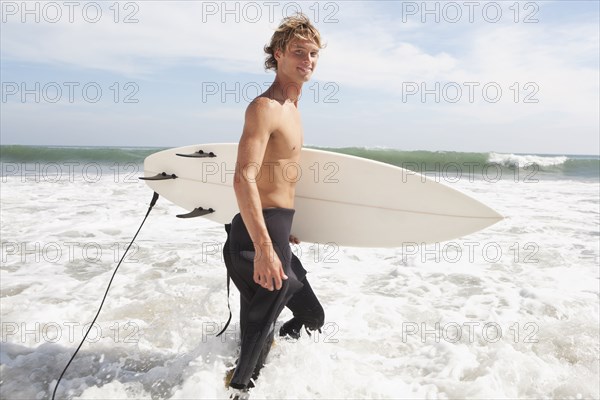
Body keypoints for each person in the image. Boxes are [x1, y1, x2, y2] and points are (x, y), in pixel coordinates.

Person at [221, 13, 326, 396]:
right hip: (255, 243)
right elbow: (242, 178)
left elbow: (274, 180)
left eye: (314, 54)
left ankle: (263, 378)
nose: (308, 60)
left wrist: (280, 229)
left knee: (312, 316)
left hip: (273, 232)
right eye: (299, 52)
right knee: (253, 348)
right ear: (278, 54)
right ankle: (236, 387)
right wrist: (265, 247)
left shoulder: (293, 109)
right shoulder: (264, 107)